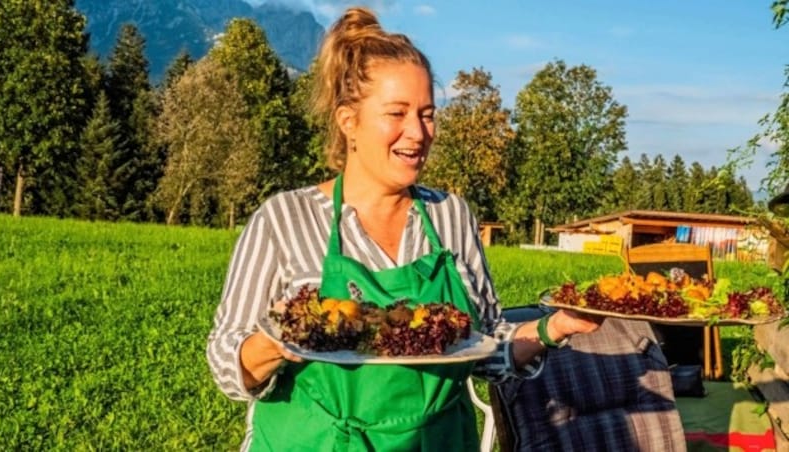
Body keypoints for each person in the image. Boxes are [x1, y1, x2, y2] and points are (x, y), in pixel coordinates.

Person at [206, 6, 600, 451]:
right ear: (348, 121)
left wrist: (556, 328)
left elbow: (484, 348)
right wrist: (279, 343)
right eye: (397, 113)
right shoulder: (284, 219)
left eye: (427, 113)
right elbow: (226, 362)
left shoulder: (451, 216)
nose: (417, 132)